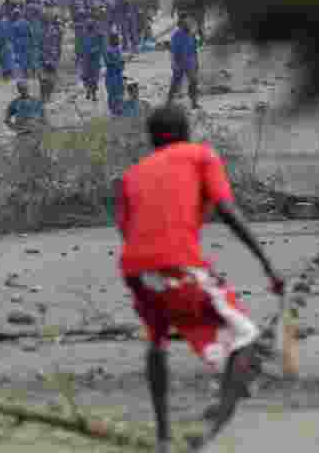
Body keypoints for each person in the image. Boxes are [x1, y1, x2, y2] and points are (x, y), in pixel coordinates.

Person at [115, 104, 286, 452]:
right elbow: (227, 210)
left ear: (150, 140)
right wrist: (267, 264)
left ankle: (163, 436)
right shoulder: (200, 156)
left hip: (136, 269)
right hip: (177, 265)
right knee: (246, 339)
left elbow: (127, 230)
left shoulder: (133, 174)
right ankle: (213, 429)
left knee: (158, 339)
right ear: (187, 132)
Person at [169, 15, 201, 109]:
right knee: (175, 84)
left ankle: (194, 102)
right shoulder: (176, 35)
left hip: (190, 63)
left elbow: (194, 49)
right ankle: (169, 103)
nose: (188, 24)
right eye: (185, 22)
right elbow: (174, 51)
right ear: (181, 24)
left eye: (188, 22)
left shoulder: (191, 35)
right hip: (180, 63)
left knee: (193, 82)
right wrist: (175, 63)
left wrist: (196, 62)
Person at [105, 33, 126, 116]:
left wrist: (121, 63)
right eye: (116, 39)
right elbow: (108, 62)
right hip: (112, 75)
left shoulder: (117, 49)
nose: (118, 41)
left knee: (119, 92)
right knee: (113, 93)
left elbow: (120, 61)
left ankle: (118, 109)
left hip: (117, 74)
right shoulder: (109, 50)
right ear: (112, 40)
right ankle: (114, 109)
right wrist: (118, 63)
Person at [83, 19, 103, 102]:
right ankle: (90, 93)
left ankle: (91, 93)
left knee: (91, 78)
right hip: (91, 61)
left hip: (92, 61)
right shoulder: (90, 36)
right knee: (91, 78)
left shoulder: (94, 36)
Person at [10, 7, 30, 80]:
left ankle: (20, 75)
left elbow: (12, 36)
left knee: (18, 59)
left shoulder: (14, 24)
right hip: (26, 41)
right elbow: (30, 33)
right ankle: (25, 73)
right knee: (25, 58)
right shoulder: (26, 22)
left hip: (18, 42)